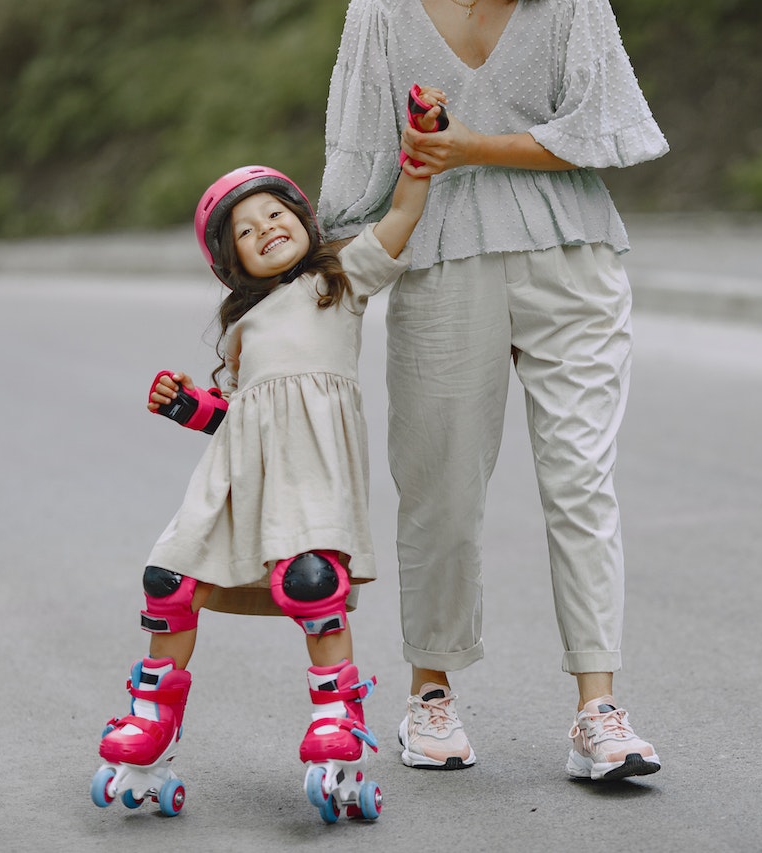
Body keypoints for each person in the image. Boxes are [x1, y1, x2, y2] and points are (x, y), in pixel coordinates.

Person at [318, 0, 669, 781]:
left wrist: (468, 144)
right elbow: (357, 153)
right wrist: (329, 284)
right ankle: (429, 696)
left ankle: (598, 709)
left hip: (573, 255)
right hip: (439, 259)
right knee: (439, 485)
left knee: (580, 477)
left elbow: (600, 130)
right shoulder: (380, 12)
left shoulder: (573, 6)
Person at [90, 122, 440, 820]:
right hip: (235, 480)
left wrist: (418, 161)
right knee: (168, 579)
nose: (267, 228)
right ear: (232, 264)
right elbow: (242, 417)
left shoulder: (338, 281)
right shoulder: (240, 326)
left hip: (311, 473)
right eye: (247, 230)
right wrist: (190, 406)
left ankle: (337, 721)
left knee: (313, 581)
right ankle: (151, 719)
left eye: (276, 213)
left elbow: (401, 218)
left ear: (305, 221)